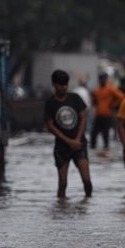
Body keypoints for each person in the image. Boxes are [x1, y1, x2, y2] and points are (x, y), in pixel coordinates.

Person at [43, 69, 92, 198]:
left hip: (79, 144)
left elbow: (83, 117)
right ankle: (61, 209)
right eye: (60, 84)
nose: (63, 87)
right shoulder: (50, 103)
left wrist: (77, 139)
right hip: (62, 147)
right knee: (63, 183)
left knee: (87, 180)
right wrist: (68, 141)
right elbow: (50, 125)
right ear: (54, 84)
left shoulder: (75, 98)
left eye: (65, 84)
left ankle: (88, 203)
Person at [91, 73, 125, 151]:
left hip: (107, 115)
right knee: (93, 134)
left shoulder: (110, 89)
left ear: (106, 80)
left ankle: (105, 150)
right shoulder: (97, 90)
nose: (102, 80)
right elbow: (94, 101)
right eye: (101, 79)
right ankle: (93, 149)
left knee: (105, 135)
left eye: (103, 79)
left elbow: (122, 96)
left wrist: (114, 104)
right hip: (98, 114)